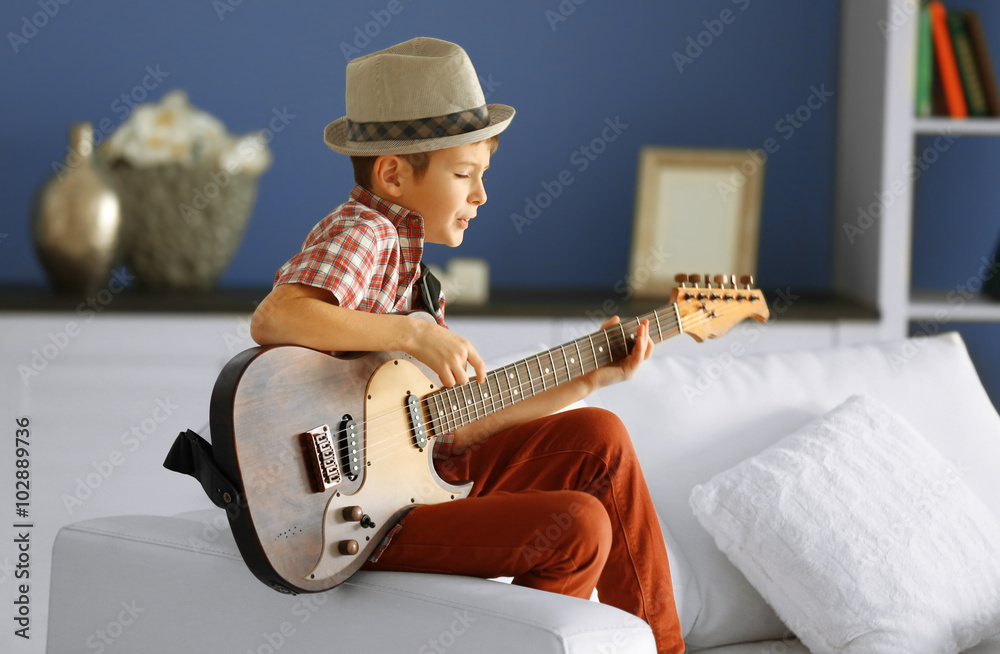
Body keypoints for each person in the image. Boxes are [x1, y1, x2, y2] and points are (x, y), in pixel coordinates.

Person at [249, 37, 684, 654]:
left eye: (483, 176)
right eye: (464, 175)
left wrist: (591, 378)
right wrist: (410, 332)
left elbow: (454, 433)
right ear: (394, 173)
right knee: (580, 526)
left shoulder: (417, 277)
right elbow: (276, 317)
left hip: (417, 478)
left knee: (599, 435)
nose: (481, 196)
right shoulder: (363, 231)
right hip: (355, 515)